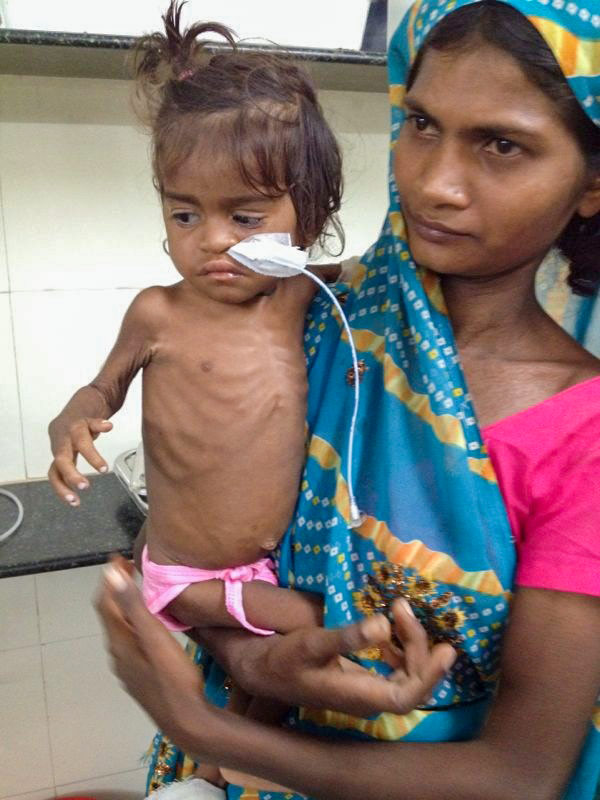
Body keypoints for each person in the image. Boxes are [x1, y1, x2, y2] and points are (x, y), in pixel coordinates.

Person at [97, 1, 600, 798]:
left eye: (501, 145)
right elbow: (200, 527)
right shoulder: (317, 314)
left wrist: (209, 728)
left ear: (592, 185)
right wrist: (254, 660)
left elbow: (522, 774)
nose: (435, 182)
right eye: (423, 124)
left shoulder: (583, 437)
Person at [48, 2, 454, 796]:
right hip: (177, 574)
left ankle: (221, 758)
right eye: (184, 213)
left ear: (306, 220)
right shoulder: (158, 312)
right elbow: (103, 386)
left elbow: (384, 270)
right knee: (303, 628)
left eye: (246, 215)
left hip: (259, 567)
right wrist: (76, 416)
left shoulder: (302, 301)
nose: (213, 241)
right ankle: (222, 753)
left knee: (295, 643)